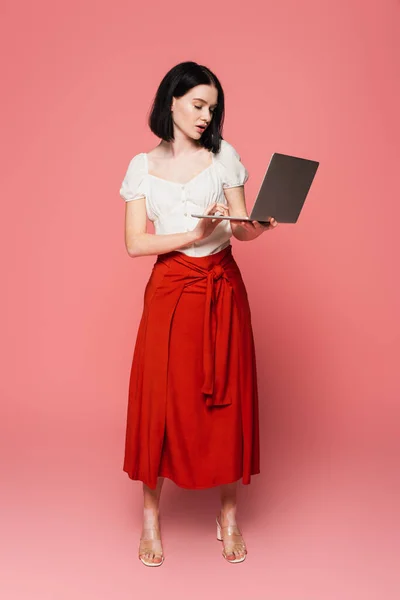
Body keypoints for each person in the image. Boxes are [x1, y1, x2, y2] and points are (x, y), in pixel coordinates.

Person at [119, 61, 278, 567]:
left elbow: (238, 229)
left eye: (212, 107)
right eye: (197, 104)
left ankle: (228, 517)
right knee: (159, 399)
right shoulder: (141, 166)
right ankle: (150, 518)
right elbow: (134, 243)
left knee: (226, 397)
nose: (206, 115)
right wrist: (189, 235)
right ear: (172, 102)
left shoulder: (225, 157)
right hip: (171, 290)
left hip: (222, 287)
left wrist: (258, 226)